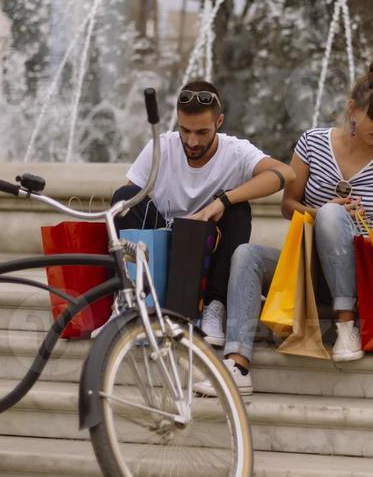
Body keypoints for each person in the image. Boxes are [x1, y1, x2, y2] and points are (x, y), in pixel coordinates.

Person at [195, 55, 373, 396]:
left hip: (358, 274)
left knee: (332, 215)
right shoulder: (312, 143)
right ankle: (237, 365)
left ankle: (346, 326)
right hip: (309, 269)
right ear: (352, 108)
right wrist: (322, 211)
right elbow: (288, 206)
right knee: (246, 255)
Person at [110, 79, 295, 347]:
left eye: (202, 132)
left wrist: (222, 201)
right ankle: (128, 298)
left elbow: (285, 174)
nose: (192, 141)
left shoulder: (236, 151)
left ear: (219, 122)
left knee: (238, 208)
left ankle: (213, 308)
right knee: (124, 198)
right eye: (185, 130)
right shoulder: (160, 146)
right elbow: (128, 205)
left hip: (208, 254)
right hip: (163, 250)